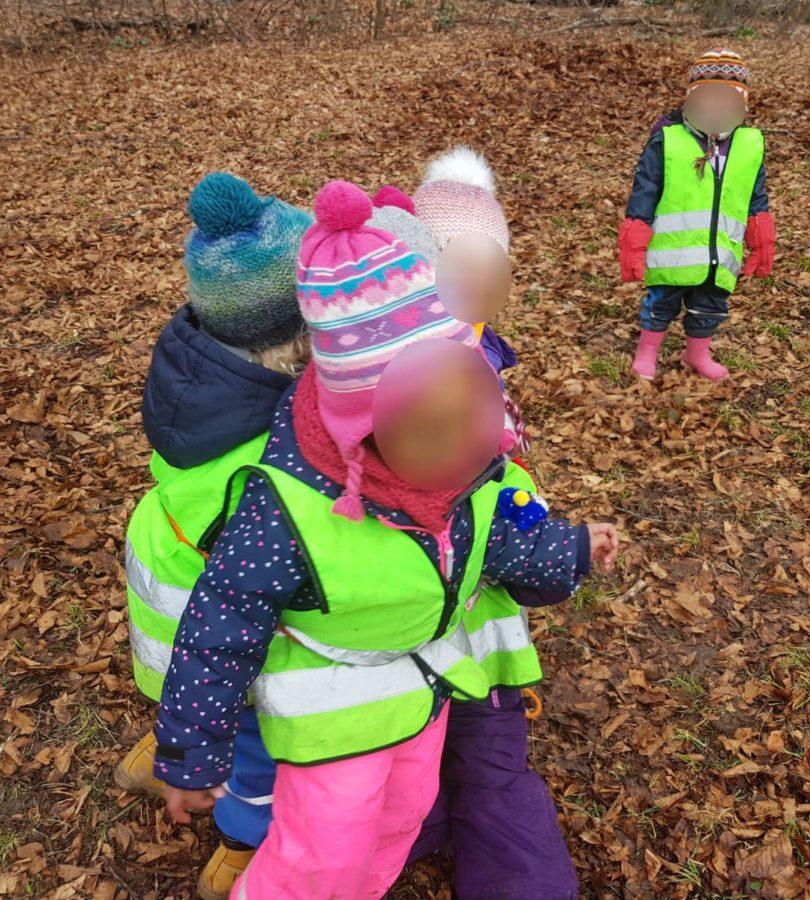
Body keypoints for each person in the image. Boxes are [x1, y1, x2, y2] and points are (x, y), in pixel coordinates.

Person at [152, 180, 620, 899]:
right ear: (362, 434)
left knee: (398, 822)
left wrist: (572, 552)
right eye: (438, 432)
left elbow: (498, 541)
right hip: (332, 713)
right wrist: (192, 754)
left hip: (420, 695)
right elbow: (220, 628)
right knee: (324, 852)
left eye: (474, 413)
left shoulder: (459, 463)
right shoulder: (282, 509)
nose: (470, 449)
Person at [112, 171, 312, 900]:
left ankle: (166, 737)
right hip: (219, 609)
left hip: (166, 575)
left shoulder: (192, 360)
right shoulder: (273, 435)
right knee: (258, 738)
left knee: (186, 685)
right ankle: (240, 840)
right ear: (295, 334)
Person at [408, 147, 581, 899]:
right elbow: (489, 516)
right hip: (442, 614)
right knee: (462, 756)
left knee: (459, 754)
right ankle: (432, 828)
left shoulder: (477, 359)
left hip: (446, 618)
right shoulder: (425, 387)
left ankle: (433, 827)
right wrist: (557, 547)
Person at [618, 48, 776, 382]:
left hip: (720, 248)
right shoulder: (669, 139)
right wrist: (636, 228)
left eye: (727, 99)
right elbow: (646, 186)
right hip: (673, 248)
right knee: (661, 303)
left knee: (710, 306)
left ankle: (696, 354)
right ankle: (646, 354)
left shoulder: (749, 145)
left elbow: (755, 191)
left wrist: (760, 229)